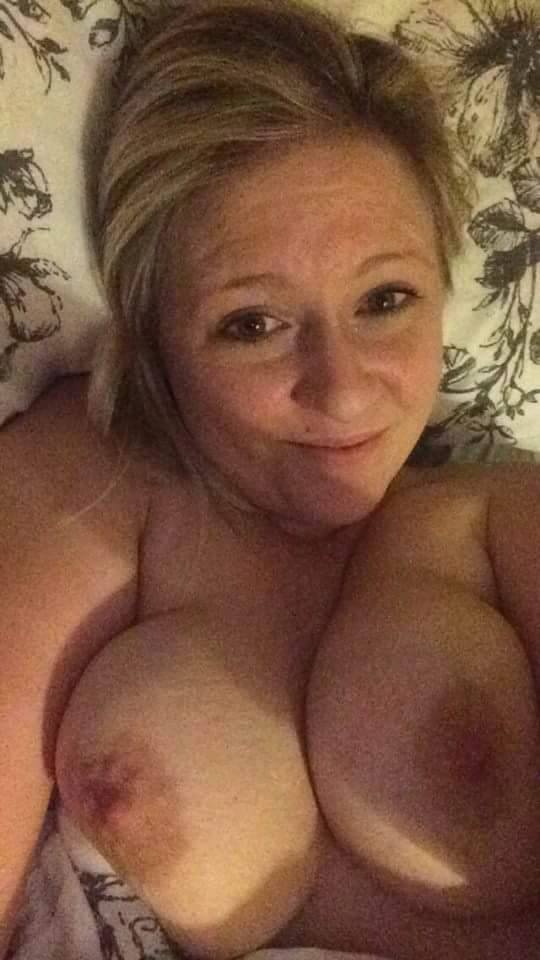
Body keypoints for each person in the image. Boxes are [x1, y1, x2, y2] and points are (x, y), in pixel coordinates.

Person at [2, 1, 540, 959]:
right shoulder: (89, 487)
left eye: (386, 299)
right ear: (154, 339)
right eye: (252, 324)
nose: (343, 392)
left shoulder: (494, 526)